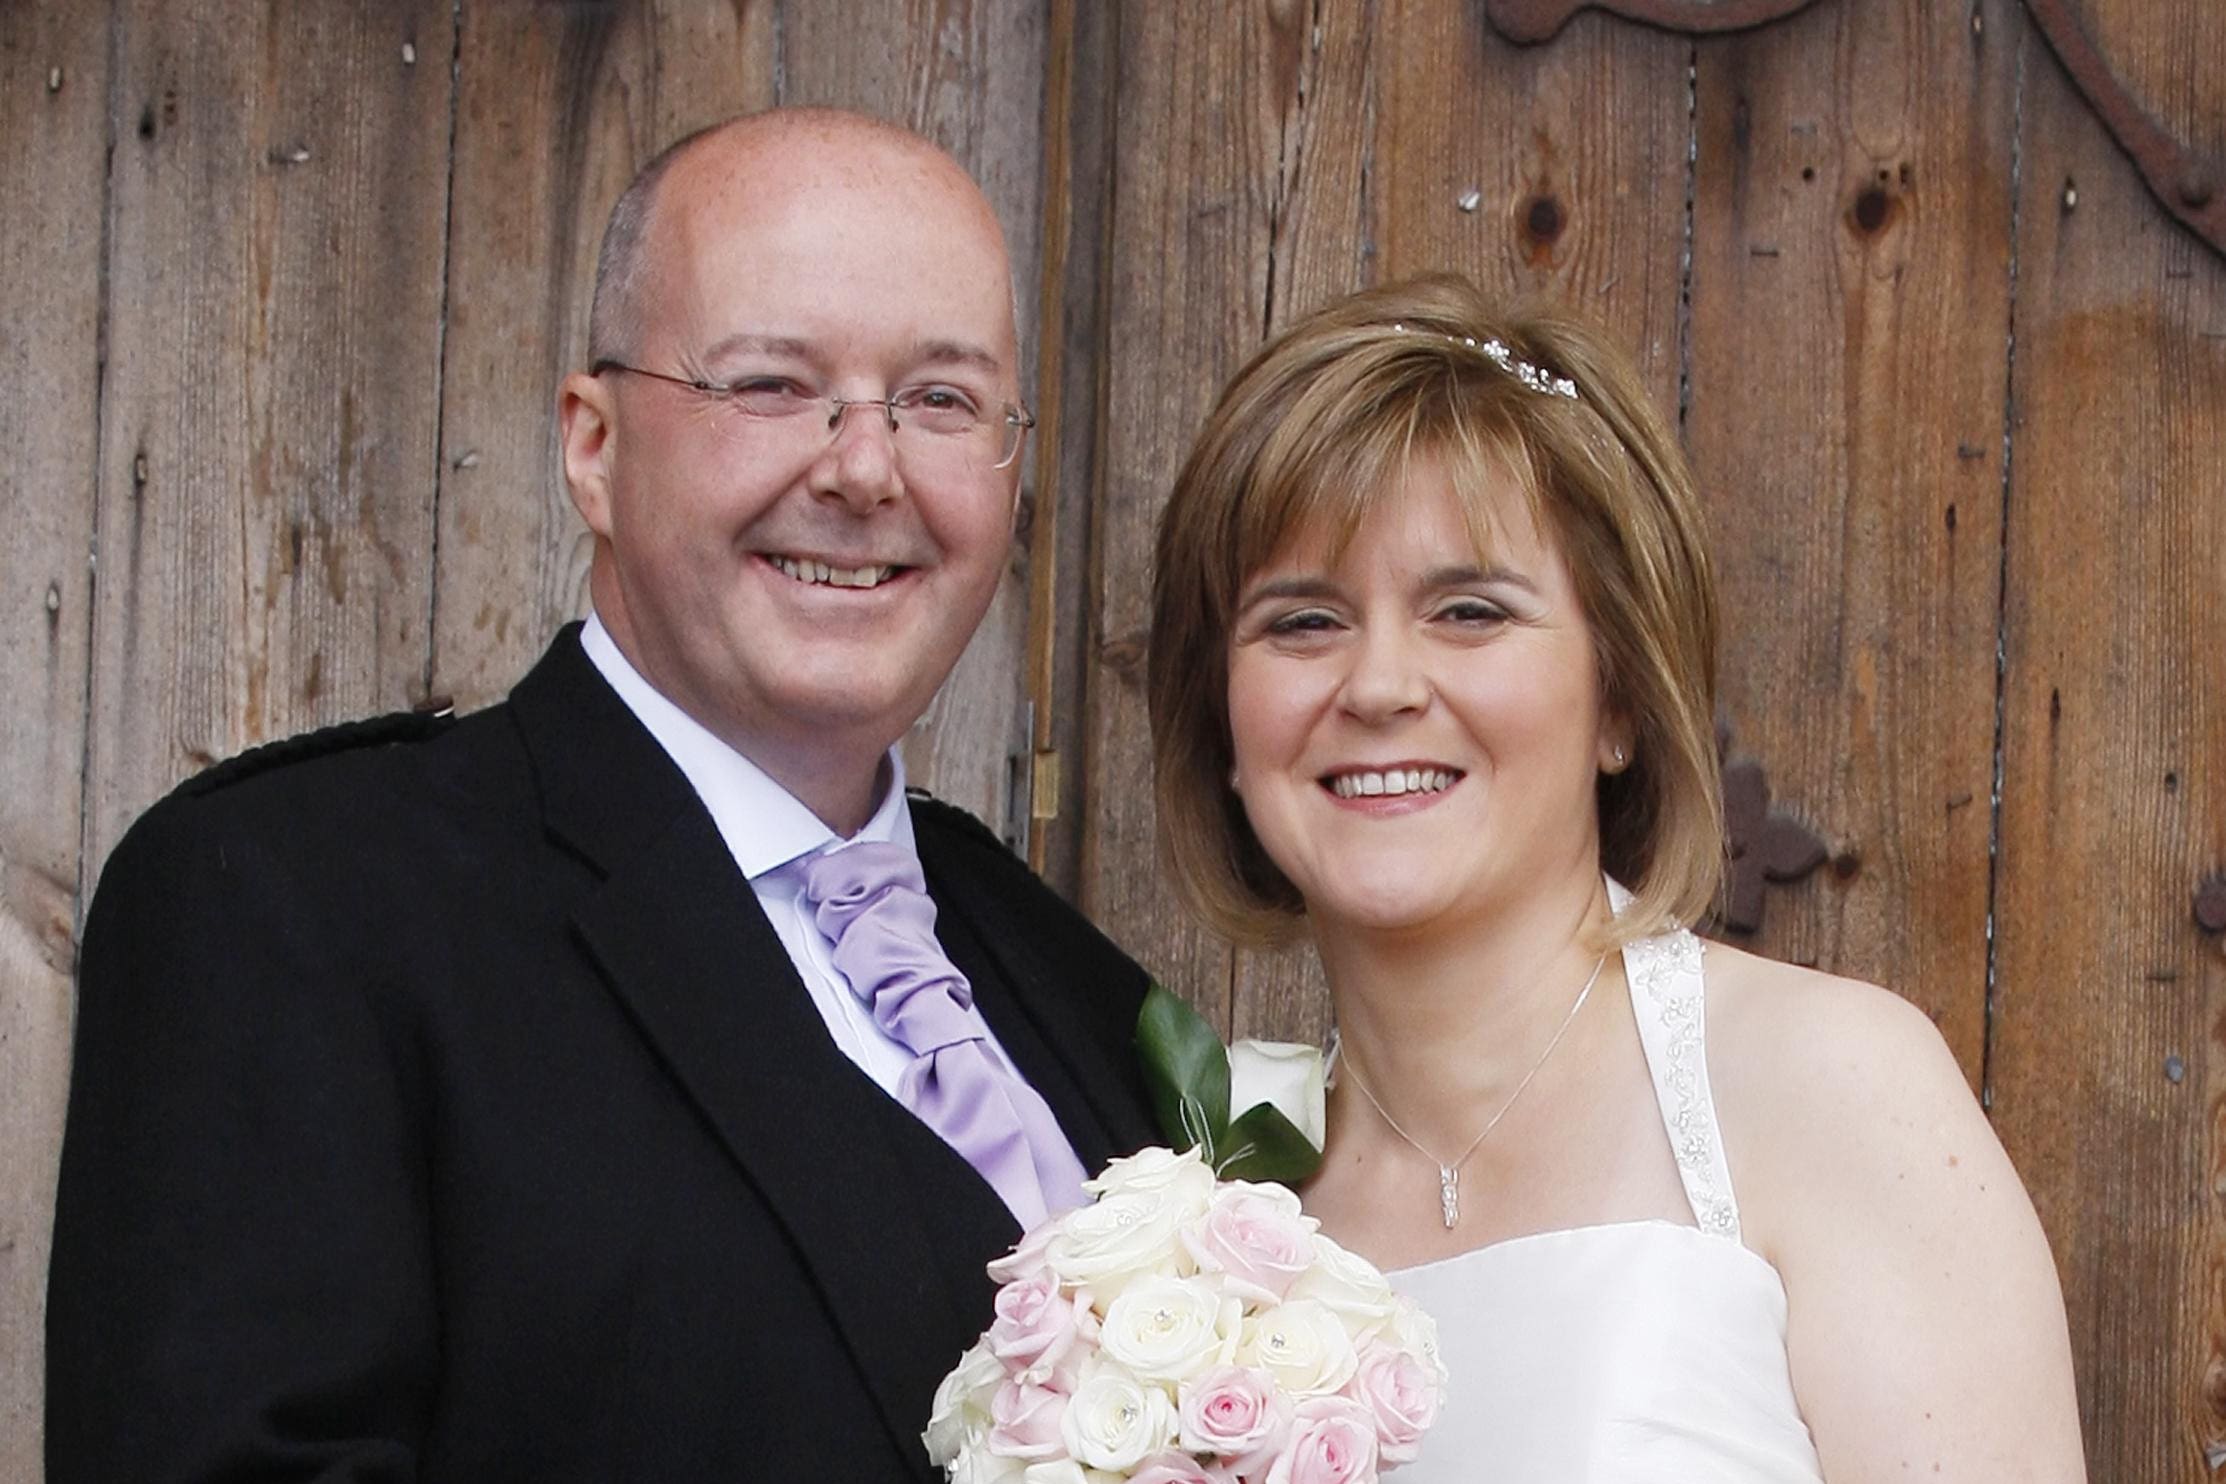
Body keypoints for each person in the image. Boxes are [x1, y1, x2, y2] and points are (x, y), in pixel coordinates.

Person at [46, 108, 1157, 1483]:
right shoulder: (294, 905)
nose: (863, 470)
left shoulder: (1068, 983)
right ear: (592, 445)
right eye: (766, 384)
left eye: (938, 400)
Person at [1146, 273, 2086, 1480]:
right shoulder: (1219, 1198)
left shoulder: (1829, 1087)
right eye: (1303, 623)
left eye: (1469, 610)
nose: (1378, 685)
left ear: (1621, 698)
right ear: (1224, 723)